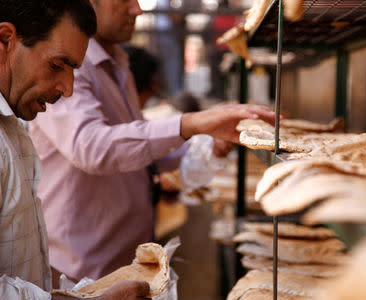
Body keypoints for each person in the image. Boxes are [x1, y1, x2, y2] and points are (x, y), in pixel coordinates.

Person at [29, 0, 275, 284]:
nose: (137, 10)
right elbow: (92, 147)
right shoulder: (69, 67)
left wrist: (212, 143)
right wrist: (191, 124)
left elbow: (139, 146)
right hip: (83, 273)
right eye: (124, 1)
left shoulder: (118, 61)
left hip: (124, 260)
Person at [0, 0, 151, 299]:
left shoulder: (12, 131)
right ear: (6, 40)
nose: (67, 88)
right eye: (57, 65)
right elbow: (92, 147)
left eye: (72, 70)